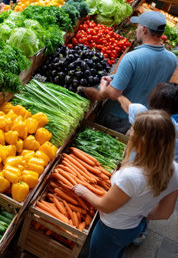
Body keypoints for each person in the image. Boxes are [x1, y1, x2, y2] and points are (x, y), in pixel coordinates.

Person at [73, 110, 178, 258]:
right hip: (134, 227)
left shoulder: (131, 176)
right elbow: (164, 213)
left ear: (141, 141)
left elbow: (104, 206)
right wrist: (139, 210)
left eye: (133, 128)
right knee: (116, 253)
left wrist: (84, 191)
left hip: (111, 229)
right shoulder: (175, 170)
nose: (129, 131)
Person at [81, 11, 177, 134]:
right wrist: (117, 78)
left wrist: (104, 88)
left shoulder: (132, 57)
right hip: (141, 118)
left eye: (137, 26)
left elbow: (114, 94)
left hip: (116, 116)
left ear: (144, 29)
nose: (136, 30)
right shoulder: (172, 59)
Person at [118, 82, 178, 161]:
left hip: (132, 165)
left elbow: (126, 105)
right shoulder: (175, 129)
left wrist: (117, 94)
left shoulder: (141, 114)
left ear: (153, 99)